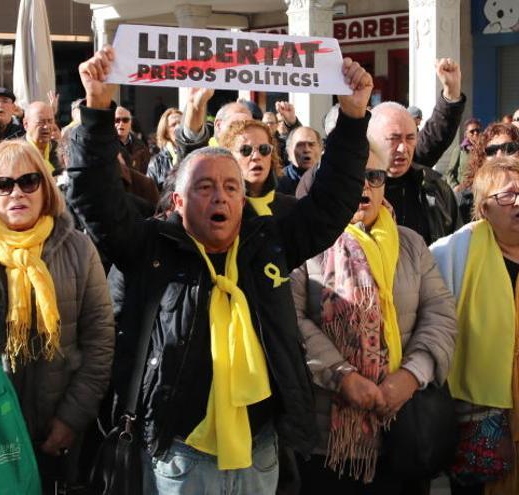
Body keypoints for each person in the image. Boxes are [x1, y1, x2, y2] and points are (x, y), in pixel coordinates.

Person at [69, 47, 372, 494]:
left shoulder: (266, 243)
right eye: (205, 187)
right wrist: (96, 111)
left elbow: (330, 206)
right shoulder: (151, 247)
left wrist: (351, 117)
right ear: (178, 201)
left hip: (260, 449)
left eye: (231, 187)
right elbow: (94, 199)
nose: (221, 198)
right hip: (179, 454)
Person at [291, 143, 456, 493]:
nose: (364, 186)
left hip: (404, 428)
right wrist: (343, 376)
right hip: (327, 440)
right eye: (353, 176)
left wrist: (412, 375)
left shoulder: (411, 243)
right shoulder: (304, 242)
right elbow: (290, 321)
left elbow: (440, 314)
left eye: (374, 176)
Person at [0, 139, 114, 489]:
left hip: (59, 432)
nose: (17, 192)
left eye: (29, 181)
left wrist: (72, 418)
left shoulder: (78, 246)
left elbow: (100, 338)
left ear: (46, 189)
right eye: (2, 183)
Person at [430, 157, 519, 495]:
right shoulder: (453, 253)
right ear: (484, 208)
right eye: (508, 196)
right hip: (480, 419)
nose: (518, 203)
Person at [371, 58, 465, 244]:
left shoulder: (432, 186)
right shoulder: (351, 187)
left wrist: (451, 93)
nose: (403, 147)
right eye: (394, 138)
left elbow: (435, 135)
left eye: (410, 138)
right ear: (371, 140)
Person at [220, 119, 295, 218]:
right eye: (245, 150)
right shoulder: (220, 207)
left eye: (264, 149)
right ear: (229, 157)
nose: (256, 156)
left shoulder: (291, 207)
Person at [454, 123, 519, 224]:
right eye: (491, 151)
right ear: (481, 159)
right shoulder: (464, 202)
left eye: (509, 148)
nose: (499, 156)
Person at [278, 126, 322, 196]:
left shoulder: (329, 178)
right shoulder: (278, 182)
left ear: (320, 149)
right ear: (289, 152)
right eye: (300, 145)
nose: (307, 150)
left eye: (311, 144)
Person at [146, 107, 183, 191]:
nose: (179, 127)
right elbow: (150, 195)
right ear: (166, 133)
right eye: (173, 125)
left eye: (181, 123)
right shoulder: (156, 163)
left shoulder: (195, 156)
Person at [23, 101, 61, 174]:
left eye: (50, 121)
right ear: (26, 124)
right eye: (40, 122)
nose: (46, 126)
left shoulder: (58, 148)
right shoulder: (17, 151)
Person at [447, 118, 482, 189]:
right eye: (472, 131)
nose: (475, 133)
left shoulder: (484, 150)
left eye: (477, 131)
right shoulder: (460, 150)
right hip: (463, 191)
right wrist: (455, 186)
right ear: (466, 134)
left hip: (480, 191)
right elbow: (449, 172)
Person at [115, 106, 151, 174]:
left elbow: (145, 174)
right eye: (117, 120)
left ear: (130, 123)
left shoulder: (141, 147)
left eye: (125, 120)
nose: (121, 123)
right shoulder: (106, 146)